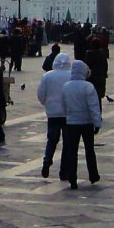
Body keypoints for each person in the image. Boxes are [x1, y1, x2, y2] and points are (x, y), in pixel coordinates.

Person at [58, 60, 102, 189]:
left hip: (71, 123)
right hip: (86, 123)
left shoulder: (66, 86)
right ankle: (93, 175)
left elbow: (63, 105)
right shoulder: (88, 86)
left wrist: (68, 116)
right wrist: (97, 122)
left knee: (72, 151)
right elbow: (94, 106)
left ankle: (72, 178)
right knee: (89, 150)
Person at [36, 51, 73, 179]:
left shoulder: (47, 76)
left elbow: (41, 94)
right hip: (68, 114)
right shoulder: (72, 75)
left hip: (52, 113)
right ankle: (64, 171)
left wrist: (46, 104)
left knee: (52, 140)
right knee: (67, 143)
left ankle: (47, 160)